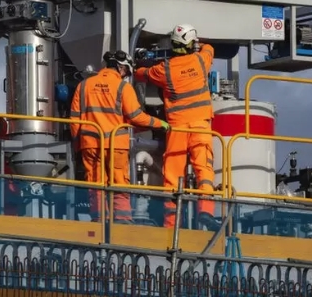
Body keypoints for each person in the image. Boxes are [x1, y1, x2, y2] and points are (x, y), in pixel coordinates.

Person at [133, 23, 218, 229]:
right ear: (191, 43)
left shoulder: (165, 69)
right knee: (204, 169)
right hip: (200, 126)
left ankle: (171, 224)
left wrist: (137, 63)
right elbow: (209, 48)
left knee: (172, 175)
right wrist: (199, 45)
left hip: (177, 128)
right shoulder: (201, 60)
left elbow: (142, 74)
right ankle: (206, 211)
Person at [70, 50, 169, 223]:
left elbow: (74, 120)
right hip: (116, 145)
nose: (126, 76)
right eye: (127, 72)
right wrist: (160, 123)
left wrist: (79, 146)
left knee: (95, 184)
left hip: (90, 144)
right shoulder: (123, 87)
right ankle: (122, 221)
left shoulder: (84, 85)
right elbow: (136, 116)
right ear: (121, 68)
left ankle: (99, 220)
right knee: (119, 184)